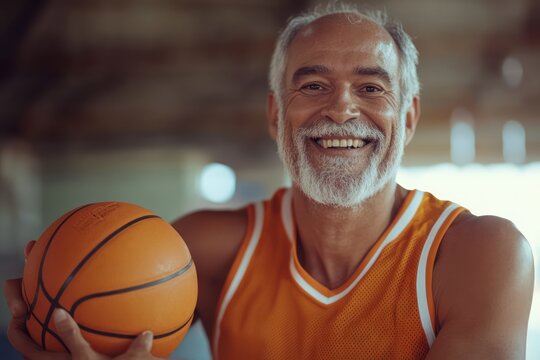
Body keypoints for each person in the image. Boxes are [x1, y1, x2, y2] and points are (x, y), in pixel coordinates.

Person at [4, 2, 535, 359]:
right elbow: (102, 324)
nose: (342, 107)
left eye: (372, 88)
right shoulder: (207, 250)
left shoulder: (479, 255)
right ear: (277, 116)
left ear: (411, 118)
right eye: (313, 85)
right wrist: (58, 318)